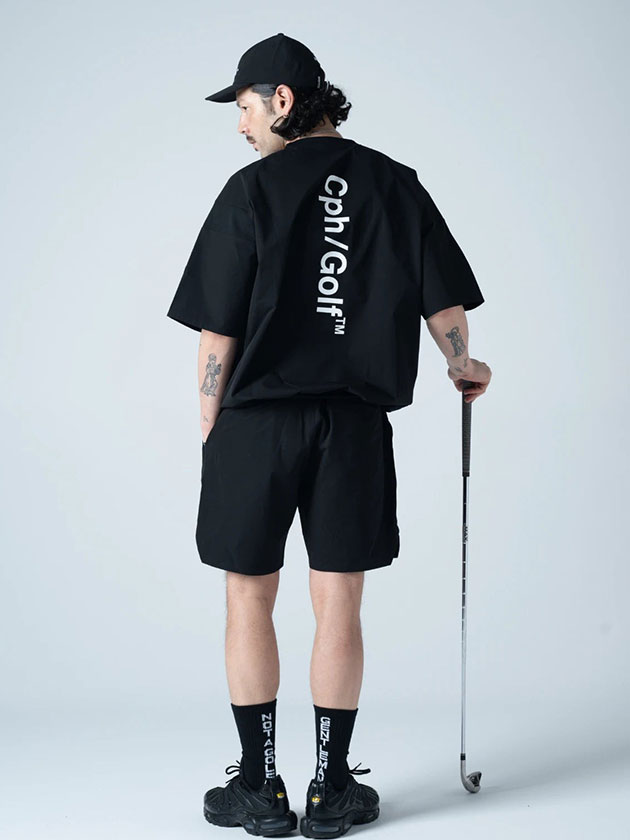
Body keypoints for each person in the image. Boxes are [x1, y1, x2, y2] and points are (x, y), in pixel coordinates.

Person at [166, 32, 492, 839]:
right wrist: (463, 367)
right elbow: (444, 306)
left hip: (255, 423)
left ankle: (259, 789)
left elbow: (217, 330)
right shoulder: (394, 184)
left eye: (245, 107)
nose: (240, 124)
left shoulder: (250, 190)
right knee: (337, 598)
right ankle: (330, 789)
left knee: (249, 593)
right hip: (351, 425)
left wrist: (211, 426)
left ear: (281, 99)